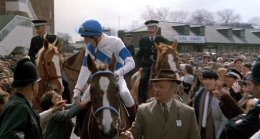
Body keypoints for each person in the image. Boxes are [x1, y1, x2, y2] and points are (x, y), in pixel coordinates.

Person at [73, 20, 136, 122]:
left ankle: (134, 121)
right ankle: (80, 127)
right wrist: (77, 89)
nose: (84, 40)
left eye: (86, 37)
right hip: (98, 80)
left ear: (96, 37)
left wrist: (118, 73)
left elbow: (131, 63)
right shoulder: (90, 47)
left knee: (125, 94)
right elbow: (85, 69)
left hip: (116, 79)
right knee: (83, 100)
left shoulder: (116, 42)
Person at [120, 69, 200, 139]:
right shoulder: (143, 110)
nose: (156, 90)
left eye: (161, 87)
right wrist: (129, 135)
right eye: (155, 86)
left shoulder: (188, 113)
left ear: (173, 90)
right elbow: (135, 132)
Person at [0, 58, 65, 139]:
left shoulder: (19, 103)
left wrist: (54, 109)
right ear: (34, 86)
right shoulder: (19, 107)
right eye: (37, 83)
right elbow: (9, 135)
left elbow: (34, 119)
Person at [136, 20, 169, 103]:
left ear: (156, 29)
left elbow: (166, 53)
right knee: (142, 80)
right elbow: (139, 55)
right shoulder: (143, 40)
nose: (150, 30)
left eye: (152, 28)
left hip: (159, 66)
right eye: (149, 28)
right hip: (147, 66)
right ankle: (141, 100)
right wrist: (139, 66)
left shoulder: (162, 39)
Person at [194, 70, 228, 139]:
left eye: (210, 79)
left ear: (216, 81)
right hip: (201, 131)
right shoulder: (199, 94)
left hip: (215, 131)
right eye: (205, 79)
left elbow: (224, 120)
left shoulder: (222, 95)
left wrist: (219, 136)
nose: (207, 82)